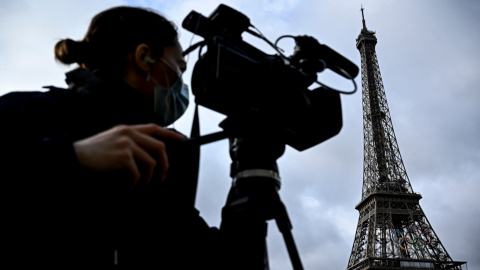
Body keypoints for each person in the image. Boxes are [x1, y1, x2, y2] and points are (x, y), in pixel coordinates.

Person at [0, 6, 222, 269]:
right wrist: (73, 157)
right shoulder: (30, 110)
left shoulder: (157, 159)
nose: (181, 84)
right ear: (145, 58)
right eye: (179, 69)